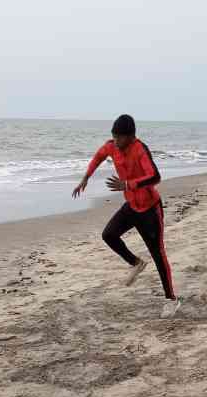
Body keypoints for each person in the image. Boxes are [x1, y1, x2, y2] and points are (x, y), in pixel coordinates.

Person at [72, 114, 180, 318]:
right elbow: (98, 157)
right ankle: (136, 263)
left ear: (131, 136)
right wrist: (85, 178)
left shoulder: (140, 149)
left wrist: (128, 184)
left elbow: (155, 177)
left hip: (150, 209)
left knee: (158, 254)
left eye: (120, 138)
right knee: (109, 235)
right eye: (114, 137)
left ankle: (171, 300)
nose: (116, 142)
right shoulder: (112, 146)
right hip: (131, 206)